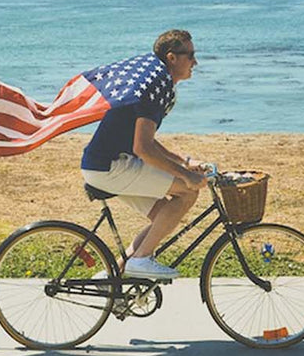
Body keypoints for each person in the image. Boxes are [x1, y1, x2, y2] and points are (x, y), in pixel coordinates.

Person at [79, 29, 208, 279]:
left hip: (105, 164)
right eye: (190, 55)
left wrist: (185, 162)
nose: (195, 62)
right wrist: (186, 176)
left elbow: (147, 142)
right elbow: (143, 149)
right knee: (187, 192)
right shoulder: (155, 87)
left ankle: (113, 276)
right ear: (172, 57)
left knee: (163, 217)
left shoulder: (155, 81)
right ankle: (140, 260)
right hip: (110, 167)